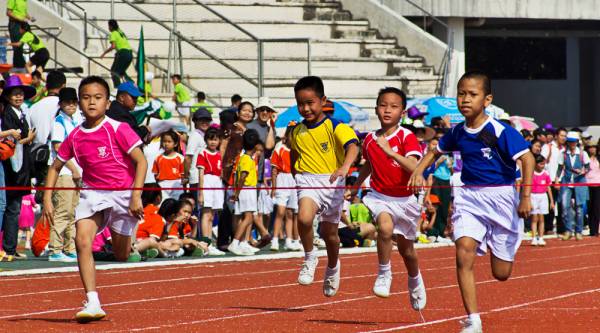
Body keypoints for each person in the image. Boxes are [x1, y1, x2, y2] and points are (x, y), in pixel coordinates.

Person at [408, 71, 534, 333]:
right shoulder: (457, 132)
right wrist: (419, 171)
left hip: (501, 198)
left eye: (472, 94)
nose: (465, 99)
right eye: (461, 93)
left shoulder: (500, 130)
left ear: (487, 99)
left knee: (501, 273)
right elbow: (435, 151)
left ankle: (496, 243)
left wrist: (525, 196)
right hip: (469, 198)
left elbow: (528, 159)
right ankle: (473, 319)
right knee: (463, 251)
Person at [42, 76, 147, 323]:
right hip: (93, 193)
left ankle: (126, 242)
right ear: (79, 103)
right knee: (82, 239)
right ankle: (92, 301)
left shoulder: (118, 128)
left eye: (98, 98)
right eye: (86, 98)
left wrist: (136, 195)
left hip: (122, 194)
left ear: (107, 103)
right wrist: (47, 198)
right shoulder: (75, 135)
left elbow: (141, 161)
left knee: (122, 255)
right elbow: (55, 166)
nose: (92, 103)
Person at [353, 87, 426, 310]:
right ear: (376, 109)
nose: (387, 110)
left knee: (407, 251)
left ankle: (415, 279)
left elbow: (415, 166)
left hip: (405, 200)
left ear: (402, 112)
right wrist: (355, 185)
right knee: (384, 228)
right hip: (379, 196)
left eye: (393, 107)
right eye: (383, 105)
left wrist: (391, 152)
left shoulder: (406, 136)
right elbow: (369, 165)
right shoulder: (368, 140)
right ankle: (384, 273)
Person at [291, 76, 359, 297]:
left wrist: (345, 167)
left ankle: (332, 267)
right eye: (301, 103)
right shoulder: (296, 131)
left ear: (322, 101)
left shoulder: (335, 125)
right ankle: (310, 256)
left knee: (330, 234)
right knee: (303, 218)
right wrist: (297, 173)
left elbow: (353, 147)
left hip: (332, 182)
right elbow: (294, 153)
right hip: (307, 180)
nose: (305, 108)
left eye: (310, 103)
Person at [0, 75, 37, 262]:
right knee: (11, 208)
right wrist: (27, 139)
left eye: (20, 93)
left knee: (14, 209)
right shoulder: (8, 114)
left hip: (21, 167)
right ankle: (8, 247)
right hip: (11, 168)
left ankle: (10, 247)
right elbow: (10, 143)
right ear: (8, 97)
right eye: (15, 94)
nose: (19, 97)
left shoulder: (21, 112)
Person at [48, 87, 83, 262]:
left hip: (74, 172)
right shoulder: (59, 122)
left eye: (74, 102)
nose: (71, 105)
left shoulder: (74, 121)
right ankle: (55, 249)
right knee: (62, 211)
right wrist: (75, 169)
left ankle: (69, 248)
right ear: (61, 104)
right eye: (67, 102)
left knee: (73, 212)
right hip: (64, 173)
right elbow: (58, 148)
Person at [227, 129, 263, 256]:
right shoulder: (247, 159)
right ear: (255, 145)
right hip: (247, 190)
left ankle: (242, 243)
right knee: (248, 218)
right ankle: (235, 243)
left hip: (247, 190)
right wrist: (237, 193)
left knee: (246, 217)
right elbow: (242, 177)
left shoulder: (243, 158)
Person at [28, 71, 66, 183]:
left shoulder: (33, 108)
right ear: (63, 86)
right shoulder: (67, 107)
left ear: (47, 86)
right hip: (60, 161)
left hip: (38, 159)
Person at [270, 124, 301, 251]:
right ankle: (275, 239)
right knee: (280, 211)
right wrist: (273, 187)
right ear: (286, 136)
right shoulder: (280, 149)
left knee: (291, 212)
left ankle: (289, 240)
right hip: (282, 179)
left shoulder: (298, 150)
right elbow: (274, 170)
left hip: (294, 180)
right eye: (291, 135)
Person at [196, 127, 225, 256]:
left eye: (215, 140)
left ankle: (211, 243)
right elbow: (201, 174)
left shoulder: (219, 154)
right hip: (207, 181)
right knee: (206, 214)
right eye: (210, 139)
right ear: (206, 140)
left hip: (217, 183)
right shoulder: (203, 153)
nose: (213, 142)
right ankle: (205, 243)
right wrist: (201, 192)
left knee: (212, 215)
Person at [557, 132, 590, 241]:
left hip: (580, 182)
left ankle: (578, 231)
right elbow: (560, 168)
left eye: (574, 141)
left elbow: (588, 167)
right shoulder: (563, 154)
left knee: (579, 208)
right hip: (566, 182)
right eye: (570, 141)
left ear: (577, 142)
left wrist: (582, 171)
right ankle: (568, 230)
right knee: (565, 207)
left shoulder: (582, 153)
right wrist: (557, 179)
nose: (572, 143)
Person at [183, 107, 212, 202]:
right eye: (201, 120)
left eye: (207, 120)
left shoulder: (205, 136)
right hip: (196, 178)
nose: (204, 122)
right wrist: (186, 176)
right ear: (195, 122)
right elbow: (188, 157)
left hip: (204, 178)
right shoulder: (195, 136)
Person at [541, 127, 567, 234]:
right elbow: (542, 162)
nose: (564, 138)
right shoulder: (548, 147)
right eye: (562, 135)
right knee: (550, 204)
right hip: (550, 180)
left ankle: (561, 228)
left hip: (562, 180)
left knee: (562, 204)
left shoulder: (565, 149)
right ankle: (548, 227)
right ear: (556, 135)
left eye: (565, 136)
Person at [100, 19, 133, 88]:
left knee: (114, 71)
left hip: (122, 53)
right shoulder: (120, 32)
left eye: (109, 26)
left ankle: (117, 88)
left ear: (111, 26)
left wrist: (104, 53)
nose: (108, 28)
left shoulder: (113, 33)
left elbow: (113, 46)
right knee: (121, 71)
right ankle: (132, 85)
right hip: (129, 53)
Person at [152, 130, 184, 201]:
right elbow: (155, 174)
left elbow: (183, 175)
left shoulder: (180, 158)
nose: (166, 144)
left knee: (177, 204)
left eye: (169, 142)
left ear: (175, 144)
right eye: (164, 141)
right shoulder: (158, 158)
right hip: (162, 184)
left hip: (177, 184)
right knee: (163, 204)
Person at [530, 154, 554, 246]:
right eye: (540, 164)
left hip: (543, 196)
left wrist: (551, 201)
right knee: (534, 218)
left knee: (541, 218)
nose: (542, 166)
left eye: (544, 164)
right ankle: (533, 238)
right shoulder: (531, 173)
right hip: (533, 196)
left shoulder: (546, 173)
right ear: (536, 164)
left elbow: (548, 188)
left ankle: (540, 237)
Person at [6, 0, 34, 69]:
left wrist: (29, 17)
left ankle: (22, 65)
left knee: (31, 40)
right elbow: (9, 12)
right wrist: (20, 19)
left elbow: (24, 12)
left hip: (22, 23)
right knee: (17, 47)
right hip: (15, 24)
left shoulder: (24, 1)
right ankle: (18, 67)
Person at [585, 140, 600, 236]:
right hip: (587, 185)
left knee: (597, 207)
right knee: (589, 207)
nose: (592, 149)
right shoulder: (585, 158)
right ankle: (592, 229)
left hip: (598, 185)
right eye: (590, 147)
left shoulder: (599, 158)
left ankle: (595, 229)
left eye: (594, 147)